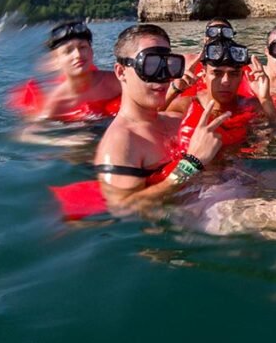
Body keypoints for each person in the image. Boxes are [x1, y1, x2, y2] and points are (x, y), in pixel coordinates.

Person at [93, 24, 230, 213]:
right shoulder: (120, 142)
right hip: (194, 216)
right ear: (121, 72)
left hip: (221, 196)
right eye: (150, 65)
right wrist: (191, 164)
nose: (162, 76)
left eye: (169, 65)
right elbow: (124, 208)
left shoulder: (174, 119)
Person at [12, 20, 122, 123]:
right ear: (56, 60)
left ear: (91, 51)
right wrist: (67, 140)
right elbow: (27, 134)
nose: (78, 55)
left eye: (82, 47)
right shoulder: (58, 104)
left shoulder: (116, 81)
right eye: (68, 51)